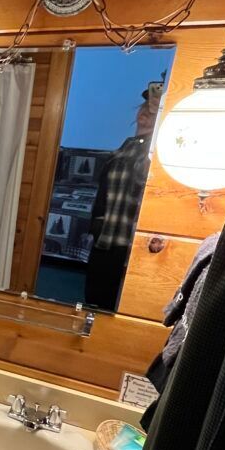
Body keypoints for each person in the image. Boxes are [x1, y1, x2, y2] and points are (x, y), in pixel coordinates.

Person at [84, 83, 162, 310]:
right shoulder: (129, 145)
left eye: (153, 110)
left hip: (129, 237)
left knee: (115, 300)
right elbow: (106, 187)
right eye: (144, 107)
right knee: (94, 293)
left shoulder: (154, 149)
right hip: (106, 233)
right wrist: (96, 223)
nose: (145, 113)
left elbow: (145, 179)